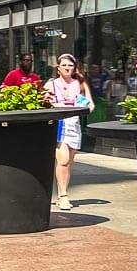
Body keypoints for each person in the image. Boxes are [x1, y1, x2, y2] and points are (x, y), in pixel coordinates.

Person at [44, 54, 94, 211]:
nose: (67, 68)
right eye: (64, 65)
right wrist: (53, 104)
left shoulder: (79, 83)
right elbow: (43, 103)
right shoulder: (51, 84)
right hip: (59, 125)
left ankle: (61, 193)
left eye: (70, 65)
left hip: (74, 125)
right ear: (58, 68)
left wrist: (83, 108)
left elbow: (90, 104)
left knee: (69, 163)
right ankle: (64, 196)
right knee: (63, 160)